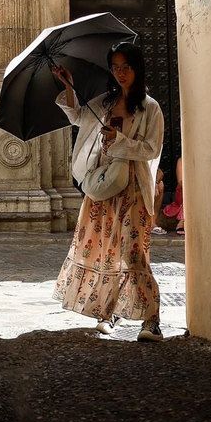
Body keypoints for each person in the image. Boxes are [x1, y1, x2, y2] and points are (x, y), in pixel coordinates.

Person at [51, 41, 166, 341]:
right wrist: (69, 85)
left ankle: (151, 319)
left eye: (125, 67)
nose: (120, 73)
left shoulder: (150, 109)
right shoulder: (103, 103)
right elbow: (78, 118)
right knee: (106, 252)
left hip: (134, 190)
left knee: (133, 252)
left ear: (137, 68)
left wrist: (120, 141)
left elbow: (152, 149)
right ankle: (109, 312)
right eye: (115, 67)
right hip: (103, 188)